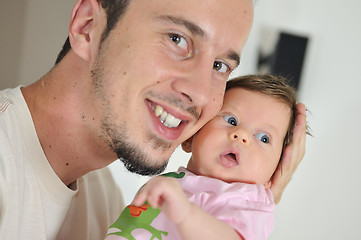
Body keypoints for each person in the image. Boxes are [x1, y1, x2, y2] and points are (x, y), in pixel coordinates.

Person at [0, 0, 307, 239]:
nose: (201, 94)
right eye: (177, 39)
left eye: (219, 65)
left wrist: (249, 203)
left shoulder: (107, 202)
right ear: (87, 26)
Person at [105, 74, 308, 240]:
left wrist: (186, 214)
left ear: (276, 172)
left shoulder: (248, 202)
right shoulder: (172, 181)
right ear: (190, 137)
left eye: (264, 138)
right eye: (231, 120)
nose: (242, 135)